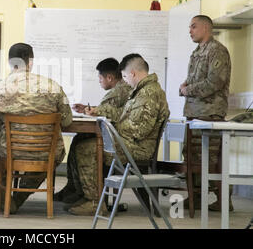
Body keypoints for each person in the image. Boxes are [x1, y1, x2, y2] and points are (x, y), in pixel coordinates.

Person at [66, 54, 169, 216]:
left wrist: (111, 128)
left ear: (133, 73)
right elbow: (123, 114)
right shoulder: (142, 91)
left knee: (86, 148)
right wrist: (98, 111)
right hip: (130, 143)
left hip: (137, 148)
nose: (125, 81)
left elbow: (138, 130)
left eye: (126, 76)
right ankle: (89, 198)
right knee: (85, 142)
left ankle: (94, 202)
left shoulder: (148, 94)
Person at [0, 43, 73, 214]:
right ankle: (18, 199)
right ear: (31, 62)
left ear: (10, 63)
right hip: (44, 152)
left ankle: (6, 199)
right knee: (53, 154)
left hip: (10, 150)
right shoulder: (53, 87)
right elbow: (67, 121)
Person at [54, 58, 131, 212]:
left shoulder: (120, 91)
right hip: (115, 135)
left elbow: (115, 113)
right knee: (78, 139)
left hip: (119, 140)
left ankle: (92, 199)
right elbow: (109, 110)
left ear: (109, 77)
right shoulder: (119, 90)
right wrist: (87, 109)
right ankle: (76, 189)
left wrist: (95, 110)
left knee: (83, 146)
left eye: (100, 78)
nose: (99, 81)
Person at [179, 15, 232, 211]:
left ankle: (223, 200)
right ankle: (196, 197)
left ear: (205, 28)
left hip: (210, 114)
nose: (190, 31)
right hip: (194, 113)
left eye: (193, 27)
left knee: (211, 160)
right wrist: (184, 86)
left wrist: (188, 89)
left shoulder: (217, 51)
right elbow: (193, 80)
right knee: (191, 157)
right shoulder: (197, 52)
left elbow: (214, 82)